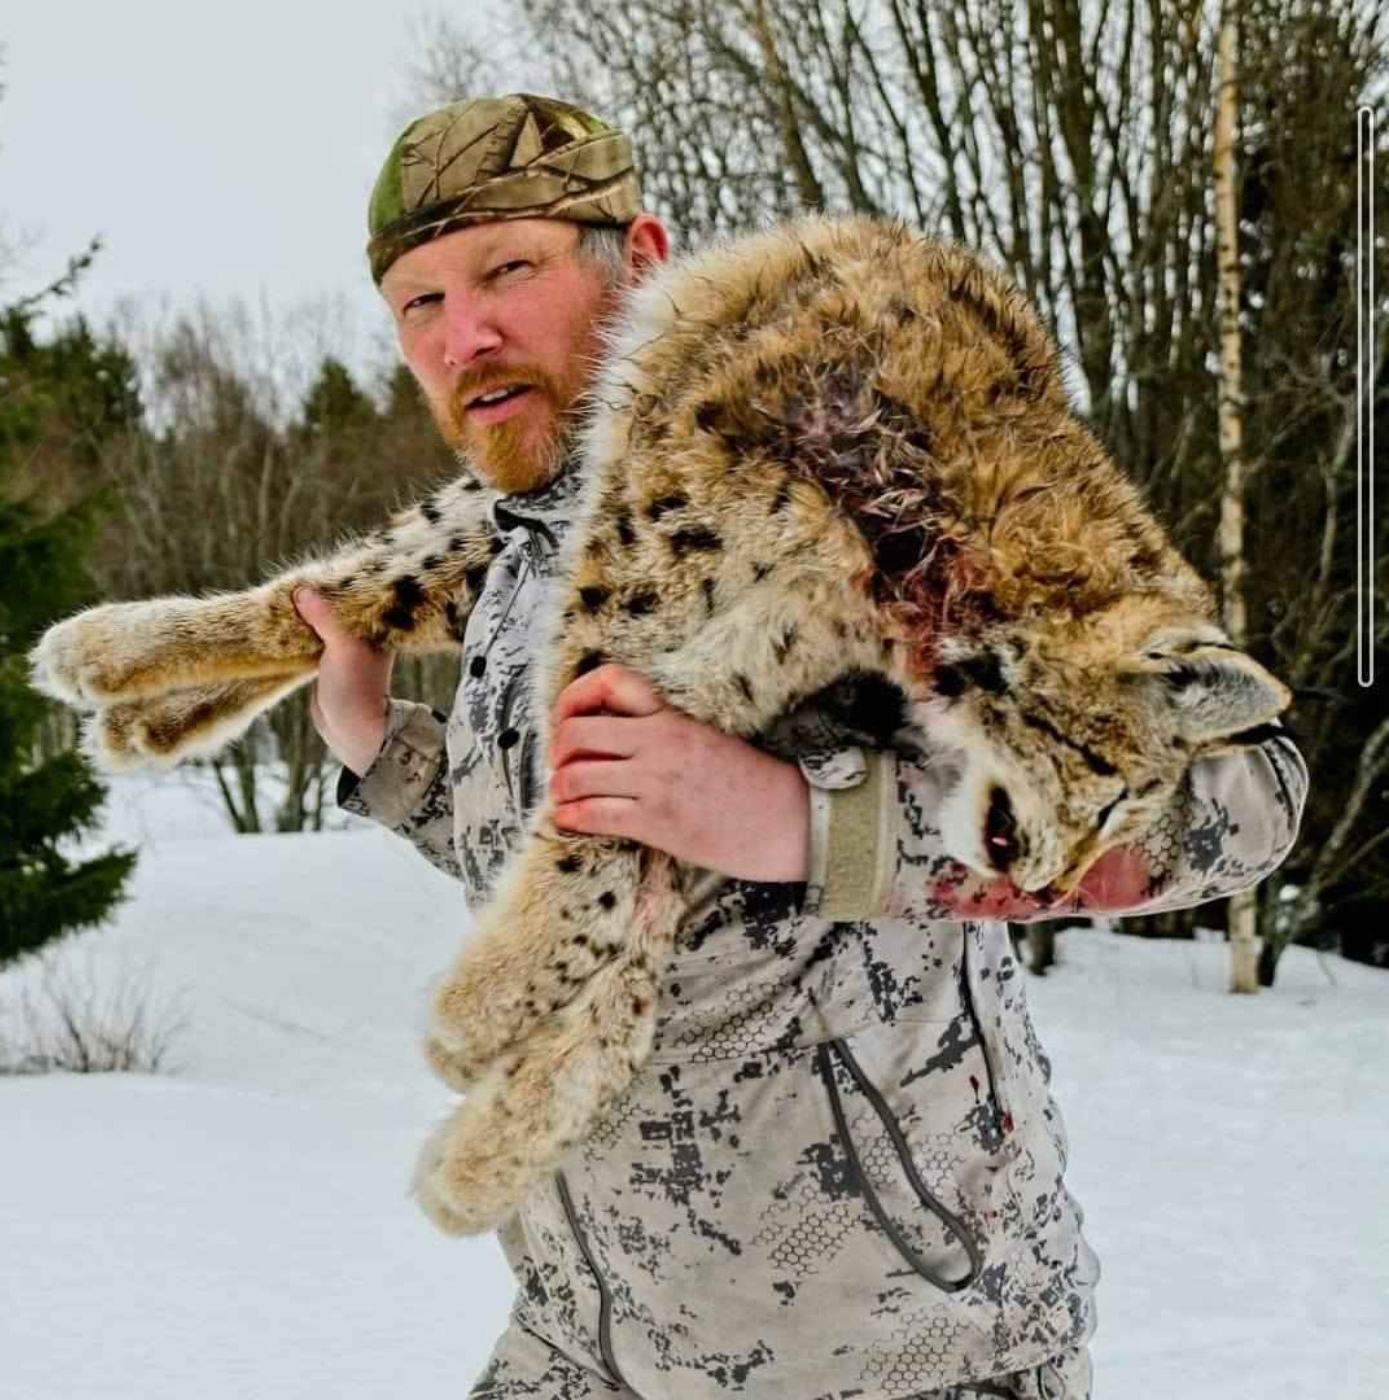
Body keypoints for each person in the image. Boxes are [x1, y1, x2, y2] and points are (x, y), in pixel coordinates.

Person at [293, 94, 1308, 1400]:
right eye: (418, 303)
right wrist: (388, 754)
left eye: (510, 270)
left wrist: (803, 822)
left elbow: (1248, 792)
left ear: (643, 258)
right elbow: (571, 852)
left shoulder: (884, 460)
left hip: (896, 1357)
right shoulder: (522, 553)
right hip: (584, 1342)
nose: (465, 335)